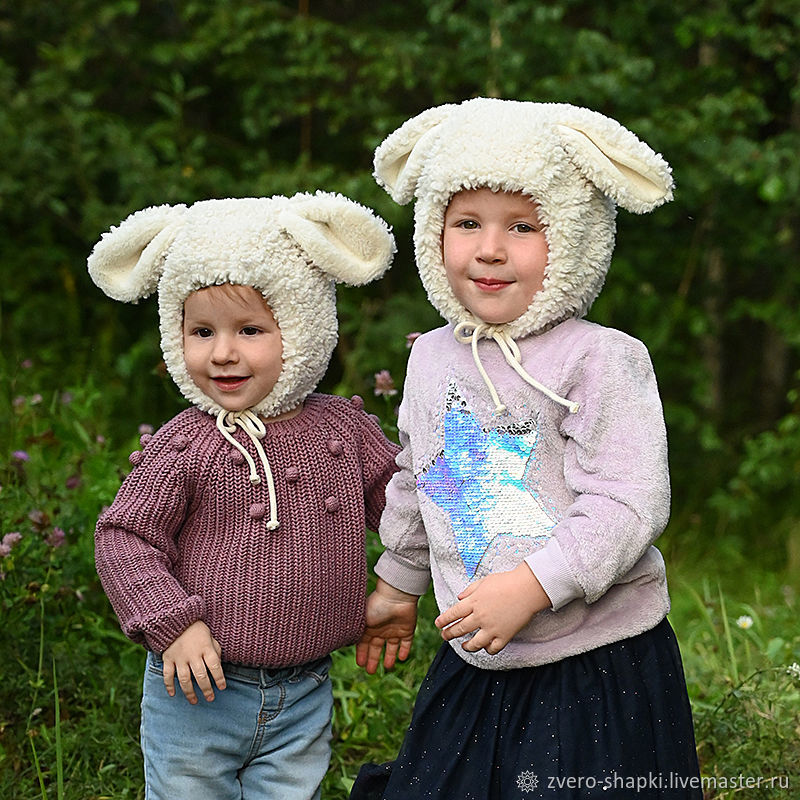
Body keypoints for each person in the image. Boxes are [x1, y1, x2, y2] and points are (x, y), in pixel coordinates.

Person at [350, 98, 703, 799]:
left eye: (523, 226)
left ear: (572, 236)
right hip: (477, 654)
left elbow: (629, 502)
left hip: (597, 662)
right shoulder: (432, 359)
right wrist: (398, 581)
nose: (489, 248)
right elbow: (422, 478)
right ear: (432, 231)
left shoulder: (600, 359)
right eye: (467, 222)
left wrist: (534, 584)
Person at [87, 192, 400, 800]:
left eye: (250, 330)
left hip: (305, 688)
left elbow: (408, 503)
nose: (223, 352)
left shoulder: (343, 432)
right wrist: (172, 624)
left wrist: (472, 513)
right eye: (201, 331)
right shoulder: (188, 442)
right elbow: (126, 537)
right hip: (197, 686)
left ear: (305, 327)